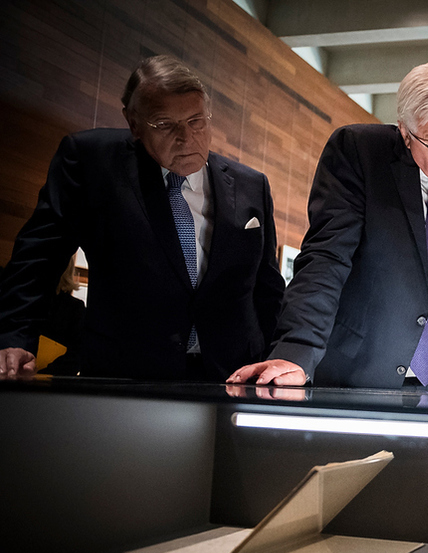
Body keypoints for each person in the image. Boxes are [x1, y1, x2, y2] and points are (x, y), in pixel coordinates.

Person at [228, 61, 428, 390]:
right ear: (406, 133)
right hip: (359, 381)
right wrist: (297, 350)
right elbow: (326, 258)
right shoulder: (361, 153)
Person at [0, 55, 284, 381]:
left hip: (230, 377)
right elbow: (37, 258)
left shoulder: (251, 184)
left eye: (196, 121)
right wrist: (13, 338)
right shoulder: (92, 162)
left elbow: (268, 289)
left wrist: (276, 360)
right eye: (165, 125)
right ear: (134, 124)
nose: (186, 138)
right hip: (127, 374)